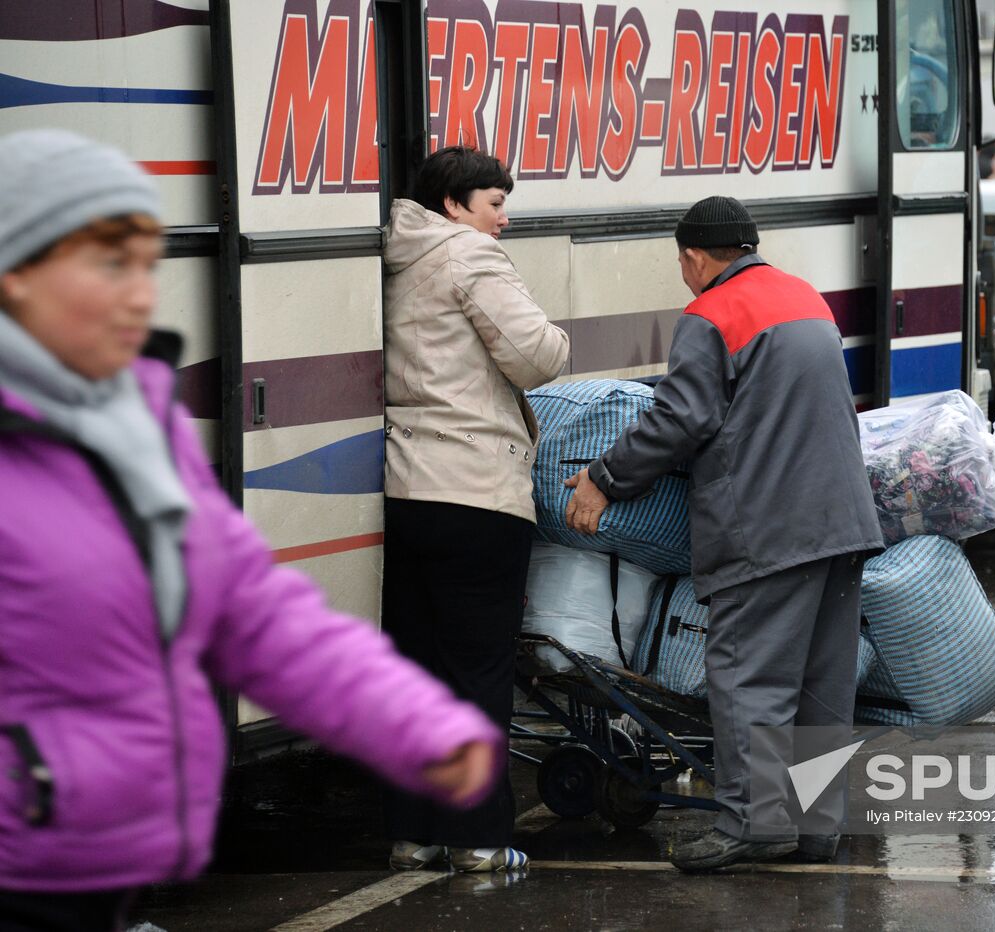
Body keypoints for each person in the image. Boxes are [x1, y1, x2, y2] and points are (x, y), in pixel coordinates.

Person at [0, 130, 504, 929]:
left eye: (145, 264)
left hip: (94, 880)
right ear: (17, 273)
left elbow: (258, 616)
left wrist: (417, 729)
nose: (140, 294)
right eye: (106, 264)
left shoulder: (137, 427)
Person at [563, 197, 883, 872]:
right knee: (823, 685)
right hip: (844, 520)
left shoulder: (711, 314)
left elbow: (679, 419)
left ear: (695, 258)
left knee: (749, 677)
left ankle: (754, 824)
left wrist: (604, 476)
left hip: (768, 526)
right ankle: (817, 827)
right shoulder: (804, 298)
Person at [380, 146, 569, 872]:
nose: (504, 217)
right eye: (496, 202)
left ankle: (413, 831)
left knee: (416, 670)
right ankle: (480, 839)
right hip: (476, 493)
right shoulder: (471, 257)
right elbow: (539, 356)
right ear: (457, 205)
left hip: (406, 490)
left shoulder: (397, 256)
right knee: (479, 671)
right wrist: (557, 336)